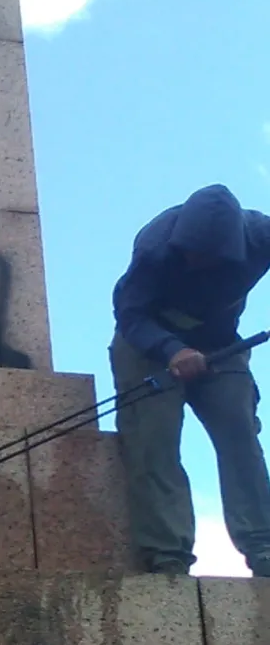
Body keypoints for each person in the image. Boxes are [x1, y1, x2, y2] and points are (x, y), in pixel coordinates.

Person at [110, 183, 270, 576]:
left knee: (240, 434)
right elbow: (130, 314)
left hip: (220, 343)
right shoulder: (155, 247)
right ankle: (167, 554)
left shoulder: (262, 236)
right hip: (149, 344)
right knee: (153, 440)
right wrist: (172, 350)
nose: (194, 261)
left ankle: (263, 545)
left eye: (207, 256)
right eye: (188, 252)